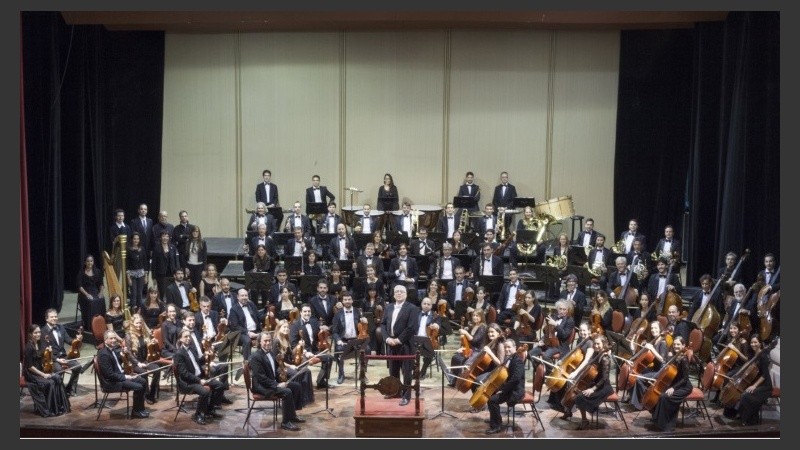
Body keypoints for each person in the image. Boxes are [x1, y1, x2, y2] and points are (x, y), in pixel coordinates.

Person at [249, 331, 305, 431]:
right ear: (260, 342)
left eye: (269, 340)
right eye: (265, 341)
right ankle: (285, 422)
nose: (268, 343)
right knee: (287, 392)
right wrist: (277, 385)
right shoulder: (255, 357)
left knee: (296, 386)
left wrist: (282, 376)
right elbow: (261, 378)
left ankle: (292, 416)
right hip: (262, 387)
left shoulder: (270, 353)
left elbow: (274, 371)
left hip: (270, 383)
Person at [173, 328, 225, 425]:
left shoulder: (192, 349)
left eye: (189, 336)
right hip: (188, 382)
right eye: (186, 337)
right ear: (180, 339)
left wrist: (207, 355)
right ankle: (198, 414)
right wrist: (199, 380)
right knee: (205, 392)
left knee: (220, 385)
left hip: (199, 377)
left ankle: (210, 409)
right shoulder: (179, 354)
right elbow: (184, 374)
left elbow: (198, 362)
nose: (188, 338)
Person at [380, 284, 420, 405]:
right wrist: (387, 338)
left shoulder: (412, 308)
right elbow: (383, 324)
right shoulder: (389, 307)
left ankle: (406, 396)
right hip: (390, 343)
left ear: (406, 294)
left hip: (405, 344)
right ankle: (395, 392)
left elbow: (411, 327)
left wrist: (398, 340)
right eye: (396, 291)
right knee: (393, 370)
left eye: (401, 291)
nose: (398, 293)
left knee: (407, 371)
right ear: (393, 294)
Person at [96, 330, 150, 419]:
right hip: (112, 382)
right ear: (105, 340)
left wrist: (123, 354)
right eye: (111, 338)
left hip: (119, 376)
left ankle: (140, 409)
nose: (114, 340)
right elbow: (109, 375)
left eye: (114, 338)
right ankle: (136, 412)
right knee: (139, 387)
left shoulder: (112, 350)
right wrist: (126, 376)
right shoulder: (103, 354)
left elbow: (117, 364)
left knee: (143, 381)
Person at [722, 335, 775, 426]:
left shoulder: (763, 356)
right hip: (753, 381)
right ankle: (739, 414)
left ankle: (750, 420)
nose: (753, 344)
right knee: (738, 393)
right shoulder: (752, 354)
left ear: (760, 343)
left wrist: (754, 386)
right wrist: (737, 375)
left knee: (745, 396)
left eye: (755, 342)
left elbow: (764, 375)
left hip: (764, 385)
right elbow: (746, 367)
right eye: (751, 342)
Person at [23, 324, 70, 417]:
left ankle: (60, 407)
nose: (38, 334)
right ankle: (50, 409)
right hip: (32, 373)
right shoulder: (29, 347)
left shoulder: (40, 343)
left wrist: (49, 353)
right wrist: (43, 375)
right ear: (30, 334)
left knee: (57, 378)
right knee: (50, 383)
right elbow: (29, 366)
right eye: (35, 333)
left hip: (41, 369)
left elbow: (44, 358)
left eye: (39, 332)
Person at [547, 323, 596, 411]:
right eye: (580, 330)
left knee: (564, 380)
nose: (582, 332)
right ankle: (554, 401)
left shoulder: (590, 343)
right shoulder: (581, 340)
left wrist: (575, 372)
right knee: (558, 376)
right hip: (576, 366)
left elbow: (586, 360)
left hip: (583, 369)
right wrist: (562, 361)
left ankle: (563, 405)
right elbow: (573, 355)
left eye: (584, 330)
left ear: (589, 331)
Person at [649, 336, 693, 432]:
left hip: (684, 386)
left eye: (678, 344)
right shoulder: (674, 356)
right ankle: (658, 421)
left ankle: (667, 425)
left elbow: (685, 379)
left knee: (665, 397)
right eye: (674, 344)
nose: (676, 346)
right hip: (676, 383)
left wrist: (673, 388)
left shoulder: (684, 359)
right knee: (660, 395)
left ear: (683, 345)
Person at [571, 335, 614, 429]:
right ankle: (575, 416)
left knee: (579, 397)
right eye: (595, 344)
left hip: (604, 387)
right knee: (577, 393)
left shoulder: (605, 358)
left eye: (598, 344)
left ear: (604, 344)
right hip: (597, 383)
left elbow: (605, 378)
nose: (596, 346)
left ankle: (584, 421)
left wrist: (592, 389)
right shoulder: (597, 354)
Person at [485, 339, 526, 434]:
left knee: (492, 400)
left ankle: (497, 425)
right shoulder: (511, 358)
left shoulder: (517, 361)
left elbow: (515, 380)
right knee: (492, 395)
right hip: (511, 388)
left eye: (509, 347)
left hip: (516, 391)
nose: (507, 349)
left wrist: (503, 390)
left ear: (515, 348)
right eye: (505, 347)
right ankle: (495, 419)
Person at [40, 308, 85, 397]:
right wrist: (57, 360)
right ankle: (59, 392)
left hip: (64, 356)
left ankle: (70, 388)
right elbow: (44, 350)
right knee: (59, 371)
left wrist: (77, 340)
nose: (54, 318)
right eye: (52, 317)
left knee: (77, 367)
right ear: (46, 319)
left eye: (56, 316)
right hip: (52, 359)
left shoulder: (60, 327)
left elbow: (69, 340)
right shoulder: (43, 332)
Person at [627, 321, 670, 410]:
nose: (653, 330)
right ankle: (632, 399)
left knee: (639, 378)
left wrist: (651, 349)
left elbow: (663, 360)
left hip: (660, 370)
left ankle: (644, 402)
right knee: (633, 374)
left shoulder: (663, 343)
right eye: (652, 328)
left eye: (655, 328)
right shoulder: (654, 341)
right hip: (654, 368)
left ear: (660, 329)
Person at [290, 304, 334, 389]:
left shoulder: (314, 321)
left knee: (329, 358)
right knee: (303, 365)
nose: (307, 313)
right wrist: (306, 353)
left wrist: (322, 332)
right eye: (305, 311)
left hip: (314, 350)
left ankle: (321, 381)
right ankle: (303, 386)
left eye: (309, 311)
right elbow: (293, 344)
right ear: (301, 313)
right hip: (301, 353)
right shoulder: (295, 326)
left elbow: (317, 337)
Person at [273, 320, 315, 408]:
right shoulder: (276, 341)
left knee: (307, 371)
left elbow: (291, 354)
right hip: (281, 368)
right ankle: (296, 402)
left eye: (287, 327)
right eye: (284, 327)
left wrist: (299, 347)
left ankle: (306, 399)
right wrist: (291, 366)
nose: (286, 329)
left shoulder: (286, 339)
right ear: (279, 328)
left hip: (289, 365)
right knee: (297, 374)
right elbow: (277, 360)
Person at [528, 299, 575, 376]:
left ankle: (550, 373)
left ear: (567, 310)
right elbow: (547, 332)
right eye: (560, 309)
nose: (562, 311)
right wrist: (542, 340)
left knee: (546, 355)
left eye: (564, 309)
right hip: (548, 343)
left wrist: (556, 325)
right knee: (530, 353)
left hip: (559, 345)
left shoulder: (570, 321)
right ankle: (540, 370)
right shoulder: (554, 317)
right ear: (557, 309)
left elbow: (564, 335)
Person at [331, 291, 369, 384]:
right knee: (338, 349)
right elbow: (334, 331)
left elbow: (363, 327)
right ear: (342, 301)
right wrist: (338, 340)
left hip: (357, 339)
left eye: (349, 299)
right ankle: (341, 374)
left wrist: (365, 321)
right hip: (343, 340)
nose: (347, 301)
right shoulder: (338, 314)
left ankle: (362, 374)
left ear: (352, 300)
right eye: (345, 300)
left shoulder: (358, 312)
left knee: (367, 349)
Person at [125, 314, 163, 404]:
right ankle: (146, 395)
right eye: (137, 323)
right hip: (134, 363)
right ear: (132, 323)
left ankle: (151, 394)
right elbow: (129, 354)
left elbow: (150, 348)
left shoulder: (144, 333)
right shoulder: (128, 335)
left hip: (145, 361)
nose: (139, 325)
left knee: (157, 370)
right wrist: (138, 363)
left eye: (140, 323)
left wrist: (153, 343)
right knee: (143, 373)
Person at [447, 309, 488, 387]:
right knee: (455, 357)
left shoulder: (483, 327)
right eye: (473, 315)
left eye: (477, 316)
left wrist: (466, 333)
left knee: (465, 362)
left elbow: (474, 340)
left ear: (481, 317)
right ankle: (454, 379)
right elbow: (467, 341)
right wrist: (463, 347)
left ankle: (461, 383)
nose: (475, 317)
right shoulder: (473, 326)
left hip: (478, 350)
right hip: (470, 348)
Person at [228, 288, 262, 361]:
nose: (244, 297)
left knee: (267, 336)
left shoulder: (251, 304)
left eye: (246, 295)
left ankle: (263, 361)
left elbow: (259, 317)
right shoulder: (233, 309)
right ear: (238, 297)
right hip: (243, 333)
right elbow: (235, 326)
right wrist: (248, 333)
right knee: (247, 341)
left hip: (256, 330)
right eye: (242, 295)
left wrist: (267, 315)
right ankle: (247, 363)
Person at [413, 296, 441, 379]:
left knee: (429, 353)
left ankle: (423, 372)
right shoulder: (416, 313)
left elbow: (438, 325)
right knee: (407, 351)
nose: (426, 305)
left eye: (428, 304)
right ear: (421, 304)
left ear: (431, 306)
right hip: (416, 339)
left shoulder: (435, 316)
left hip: (428, 340)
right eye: (424, 303)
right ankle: (415, 370)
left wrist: (436, 326)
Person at [77, 254, 106, 331]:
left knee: (101, 299)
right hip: (84, 293)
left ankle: (101, 323)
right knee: (91, 301)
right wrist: (87, 294)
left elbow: (101, 284)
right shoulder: (81, 273)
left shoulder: (97, 271)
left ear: (93, 262)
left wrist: (101, 292)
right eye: (88, 261)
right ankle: (90, 325)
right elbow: (80, 287)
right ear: (85, 263)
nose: (90, 263)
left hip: (95, 291)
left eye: (91, 261)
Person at [150, 232, 181, 301]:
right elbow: (154, 263)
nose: (165, 238)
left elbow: (176, 260)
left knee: (171, 290)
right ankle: (163, 306)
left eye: (167, 236)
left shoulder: (173, 247)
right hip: (160, 274)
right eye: (163, 236)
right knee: (162, 292)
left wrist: (177, 272)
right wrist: (153, 276)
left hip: (171, 273)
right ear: (161, 237)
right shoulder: (156, 248)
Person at [126, 232, 149, 312]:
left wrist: (146, 276)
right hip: (132, 274)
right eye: (134, 239)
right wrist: (128, 278)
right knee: (133, 294)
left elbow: (145, 262)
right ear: (132, 240)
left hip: (141, 274)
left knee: (140, 294)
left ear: (139, 240)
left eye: (137, 239)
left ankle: (139, 311)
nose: (136, 240)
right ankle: (133, 312)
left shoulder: (142, 249)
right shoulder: (128, 249)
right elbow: (127, 264)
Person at [182, 225, 208, 290]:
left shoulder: (202, 242)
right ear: (191, 232)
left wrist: (204, 269)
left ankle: (197, 299)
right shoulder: (188, 241)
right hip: (190, 265)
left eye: (197, 231)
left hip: (199, 266)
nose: (195, 233)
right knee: (190, 284)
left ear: (199, 233)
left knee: (197, 284)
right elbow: (184, 256)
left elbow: (204, 256)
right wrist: (185, 267)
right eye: (193, 231)